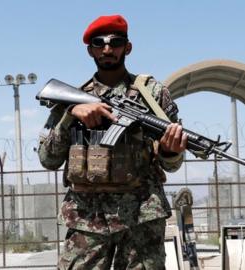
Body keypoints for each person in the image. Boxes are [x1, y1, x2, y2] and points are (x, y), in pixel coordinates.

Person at [38, 14, 187, 270]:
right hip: (87, 219)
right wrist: (70, 116)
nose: (107, 49)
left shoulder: (152, 95)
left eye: (115, 42)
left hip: (141, 216)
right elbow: (47, 159)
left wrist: (169, 150)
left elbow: (171, 165)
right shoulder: (71, 98)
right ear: (90, 50)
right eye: (99, 43)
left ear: (127, 47)